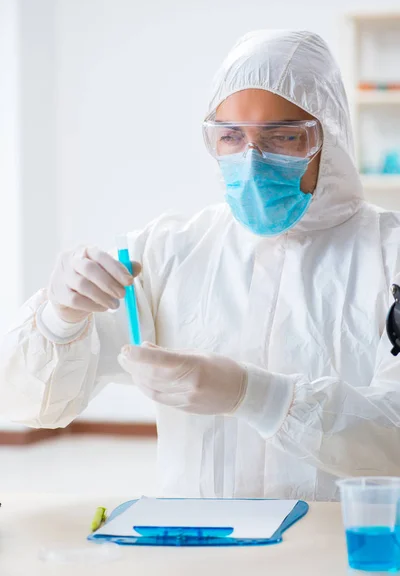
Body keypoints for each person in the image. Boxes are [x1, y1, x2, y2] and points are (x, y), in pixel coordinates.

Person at [1, 30, 400, 501]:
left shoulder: (387, 254)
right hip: (201, 543)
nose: (252, 162)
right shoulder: (170, 250)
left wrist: (260, 396)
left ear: (328, 137)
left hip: (340, 549)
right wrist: (60, 320)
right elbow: (30, 406)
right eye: (231, 136)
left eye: (285, 136)